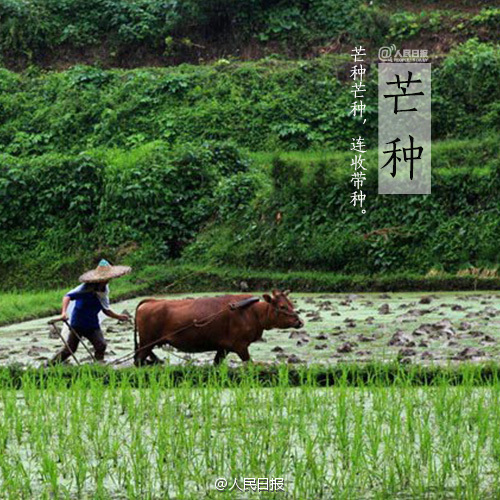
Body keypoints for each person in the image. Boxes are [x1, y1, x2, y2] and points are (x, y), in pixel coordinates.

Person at [49, 259, 131, 364]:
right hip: (78, 323)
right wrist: (63, 312)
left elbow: (105, 309)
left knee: (101, 345)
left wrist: (118, 317)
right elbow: (67, 296)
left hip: (92, 324)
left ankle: (98, 366)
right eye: (105, 278)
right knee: (70, 349)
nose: (107, 280)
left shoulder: (104, 290)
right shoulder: (85, 288)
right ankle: (50, 365)